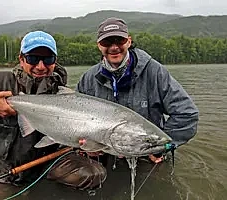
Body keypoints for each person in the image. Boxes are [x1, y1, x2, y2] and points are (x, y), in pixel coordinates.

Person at [0, 31, 106, 199]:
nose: (41, 66)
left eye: (48, 59)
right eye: (33, 58)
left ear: (55, 61)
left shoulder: (61, 92)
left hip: (49, 161)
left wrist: (85, 142)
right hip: (6, 171)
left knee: (93, 174)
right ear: (21, 59)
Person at [76, 18, 199, 163]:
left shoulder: (155, 72)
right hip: (105, 153)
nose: (114, 47)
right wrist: (85, 146)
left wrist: (161, 147)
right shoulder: (88, 79)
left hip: (147, 156)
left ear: (128, 41)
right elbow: (76, 121)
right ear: (99, 46)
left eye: (119, 40)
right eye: (107, 42)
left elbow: (187, 114)